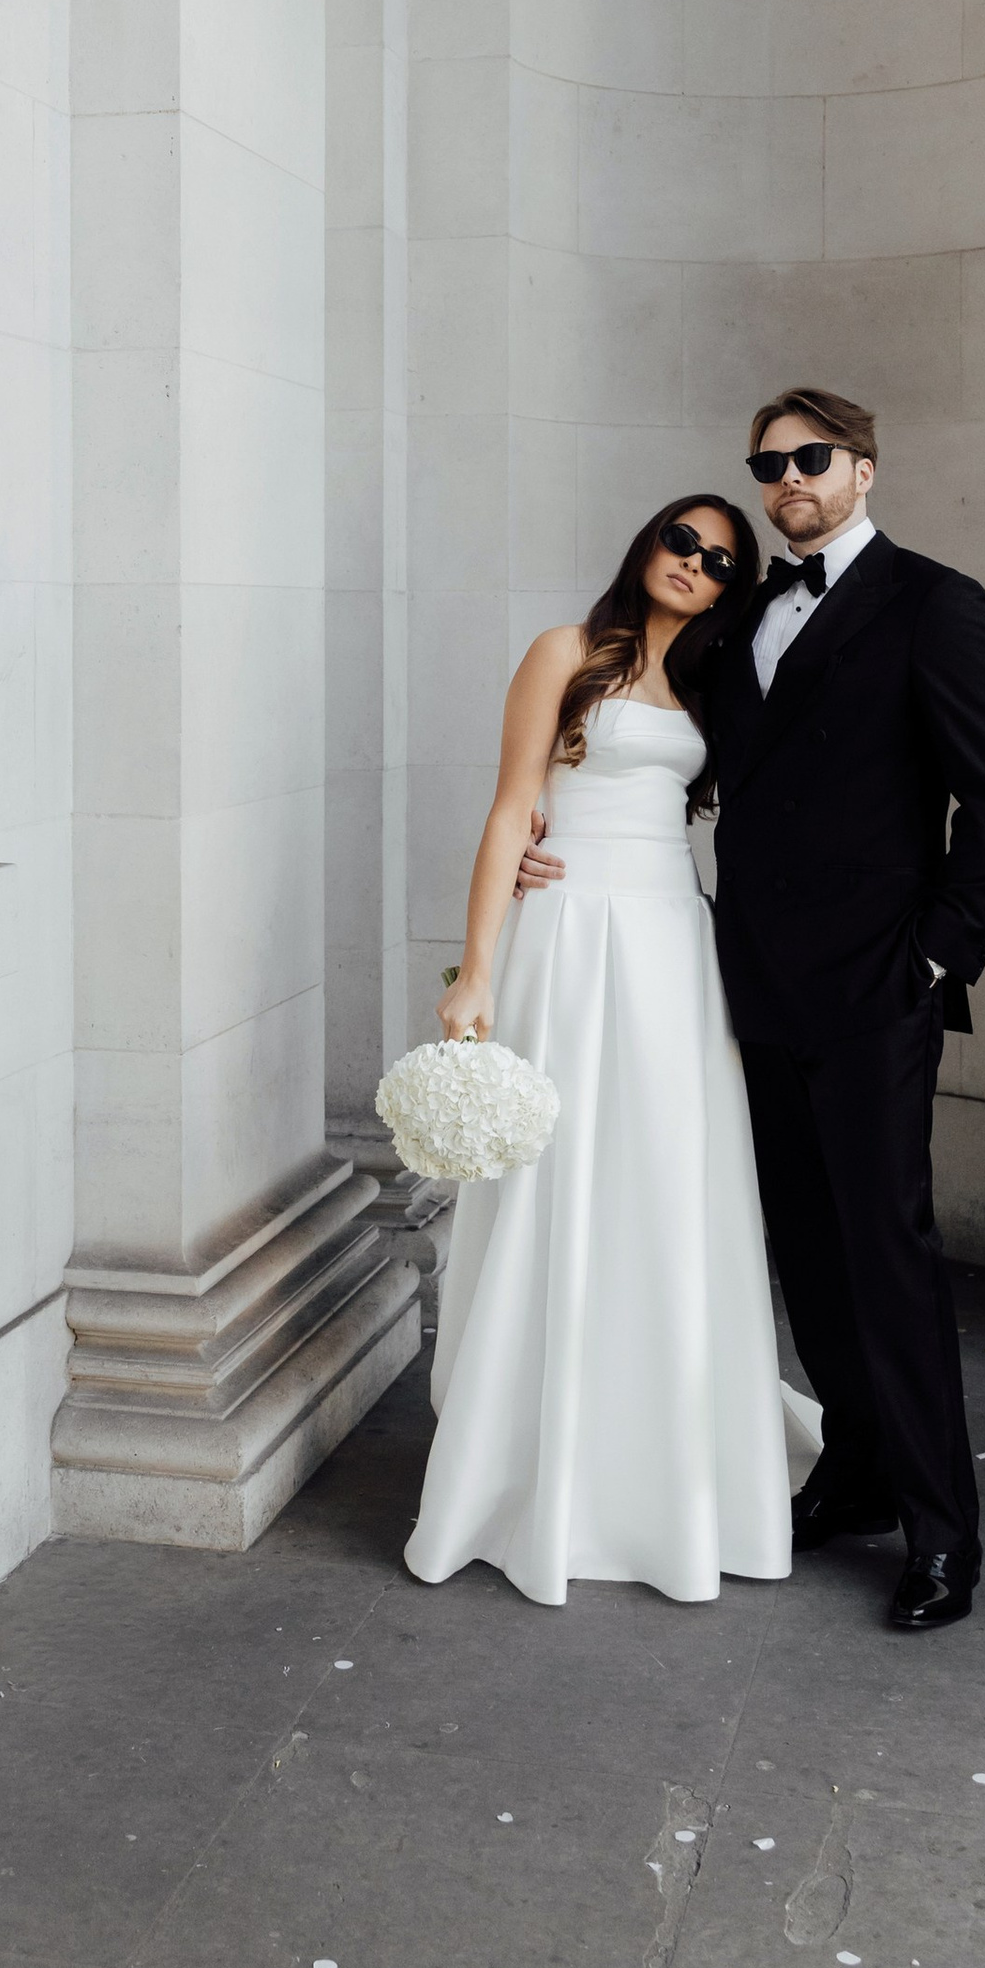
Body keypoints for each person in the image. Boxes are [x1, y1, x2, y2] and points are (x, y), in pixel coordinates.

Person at [521, 387, 985, 1633]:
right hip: (742, 985)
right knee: (805, 1253)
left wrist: (935, 959)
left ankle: (940, 1536)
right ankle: (852, 1473)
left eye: (810, 459)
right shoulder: (740, 612)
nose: (785, 479)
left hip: (874, 991)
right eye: (767, 464)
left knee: (886, 1254)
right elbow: (636, 736)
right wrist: (551, 833)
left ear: (862, 467)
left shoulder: (935, 603)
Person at [405, 496, 818, 1608]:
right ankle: (530, 1463)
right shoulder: (566, 651)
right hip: (571, 936)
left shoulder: (725, 685)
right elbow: (509, 813)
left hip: (672, 945)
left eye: (721, 560)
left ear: (736, 586)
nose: (695, 563)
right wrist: (477, 969)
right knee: (556, 1179)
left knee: (668, 1186)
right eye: (681, 541)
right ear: (644, 544)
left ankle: (667, 1462)